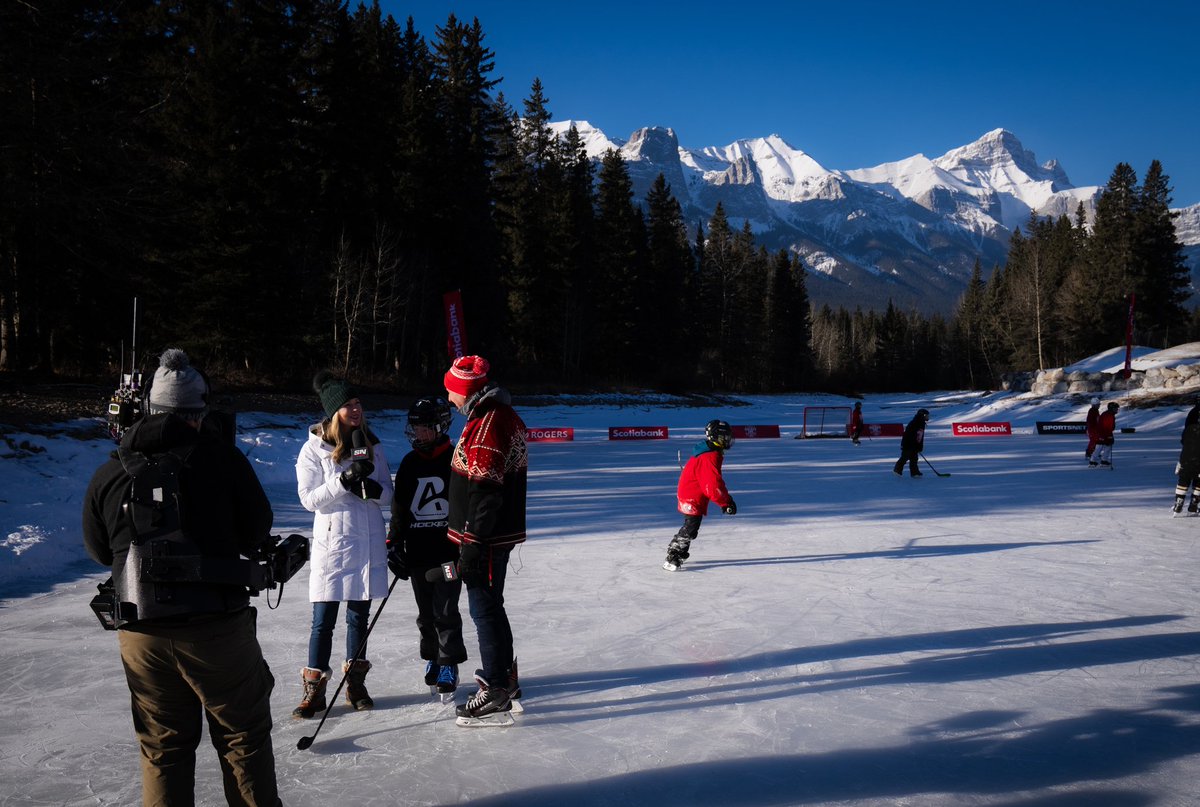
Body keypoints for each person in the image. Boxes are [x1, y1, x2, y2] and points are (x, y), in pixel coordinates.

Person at [82, 348, 281, 807]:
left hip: (141, 634)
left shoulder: (111, 471)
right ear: (198, 412)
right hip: (215, 632)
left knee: (163, 748)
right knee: (242, 739)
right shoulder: (223, 461)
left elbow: (97, 551)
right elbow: (256, 531)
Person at [294, 371, 394, 717]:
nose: (356, 410)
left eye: (358, 403)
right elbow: (309, 500)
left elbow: (388, 493)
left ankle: (355, 684)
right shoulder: (313, 450)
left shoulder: (372, 443)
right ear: (334, 411)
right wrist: (345, 480)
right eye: (349, 405)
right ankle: (315, 689)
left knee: (358, 619)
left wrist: (376, 491)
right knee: (323, 620)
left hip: (366, 542)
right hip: (333, 546)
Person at [443, 355, 528, 723]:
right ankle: (504, 678)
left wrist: (473, 542)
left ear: (465, 390)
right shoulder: (489, 416)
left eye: (451, 391)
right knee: (491, 605)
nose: (448, 399)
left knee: (483, 609)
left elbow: (485, 489)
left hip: (485, 538)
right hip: (489, 535)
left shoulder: (490, 423)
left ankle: (495, 687)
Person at [387, 396, 468, 696]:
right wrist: (394, 543)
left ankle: (449, 663)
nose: (419, 434)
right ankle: (433, 657)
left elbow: (465, 504)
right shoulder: (409, 463)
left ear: (440, 427)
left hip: (448, 554)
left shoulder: (455, 458)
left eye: (425, 428)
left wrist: (467, 542)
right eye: (416, 428)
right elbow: (400, 508)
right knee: (425, 613)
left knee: (446, 609)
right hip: (418, 553)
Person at [664, 419, 737, 571]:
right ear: (717, 437)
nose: (729, 440)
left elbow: (713, 483)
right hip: (691, 495)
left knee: (692, 526)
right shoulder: (710, 457)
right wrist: (726, 502)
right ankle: (674, 554)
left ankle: (677, 551)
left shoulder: (710, 452)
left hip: (693, 492)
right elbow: (712, 486)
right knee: (691, 527)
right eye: (726, 437)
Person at [1173, 401, 1200, 514]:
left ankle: (1179, 502)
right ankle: (1194, 503)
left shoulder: (1189, 424)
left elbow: (1183, 440)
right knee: (1198, 481)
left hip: (1186, 457)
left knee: (1184, 479)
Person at [893, 408, 929, 477]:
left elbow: (920, 436)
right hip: (908, 444)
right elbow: (909, 435)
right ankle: (897, 470)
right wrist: (913, 444)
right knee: (905, 457)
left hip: (914, 445)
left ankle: (914, 472)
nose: (927, 417)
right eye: (926, 415)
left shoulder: (921, 423)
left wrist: (919, 446)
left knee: (914, 458)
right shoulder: (915, 422)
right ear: (922, 415)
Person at [1094, 402, 1119, 467]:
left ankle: (1103, 460)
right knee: (1099, 447)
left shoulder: (1110, 414)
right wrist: (1108, 436)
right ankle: (1093, 461)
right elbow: (1106, 427)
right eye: (1115, 408)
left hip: (1104, 433)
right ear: (1111, 408)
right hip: (1103, 433)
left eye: (1117, 408)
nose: (1117, 409)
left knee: (1107, 446)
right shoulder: (1108, 415)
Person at [1085, 397, 1102, 466]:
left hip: (1095, 429)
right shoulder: (1092, 411)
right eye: (1098, 404)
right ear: (1094, 404)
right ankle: (1088, 453)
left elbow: (1098, 419)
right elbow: (1092, 421)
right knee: (1093, 441)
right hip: (1092, 429)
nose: (1099, 406)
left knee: (1096, 440)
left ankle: (1095, 453)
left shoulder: (1096, 411)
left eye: (1099, 404)